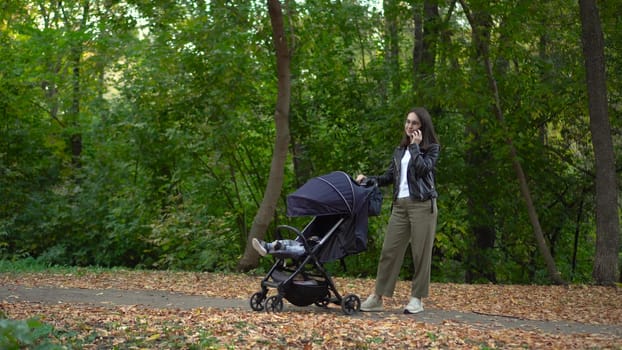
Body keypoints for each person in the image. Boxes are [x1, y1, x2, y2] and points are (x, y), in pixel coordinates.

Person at [356, 107, 440, 314]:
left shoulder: (431, 148)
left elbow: (422, 169)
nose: (409, 126)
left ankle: (416, 299)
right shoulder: (399, 151)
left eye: (414, 123)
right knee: (389, 251)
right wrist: (368, 180)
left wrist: (416, 147)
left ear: (422, 127)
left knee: (421, 254)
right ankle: (377, 298)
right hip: (400, 207)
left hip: (422, 205)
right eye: (407, 122)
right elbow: (388, 177)